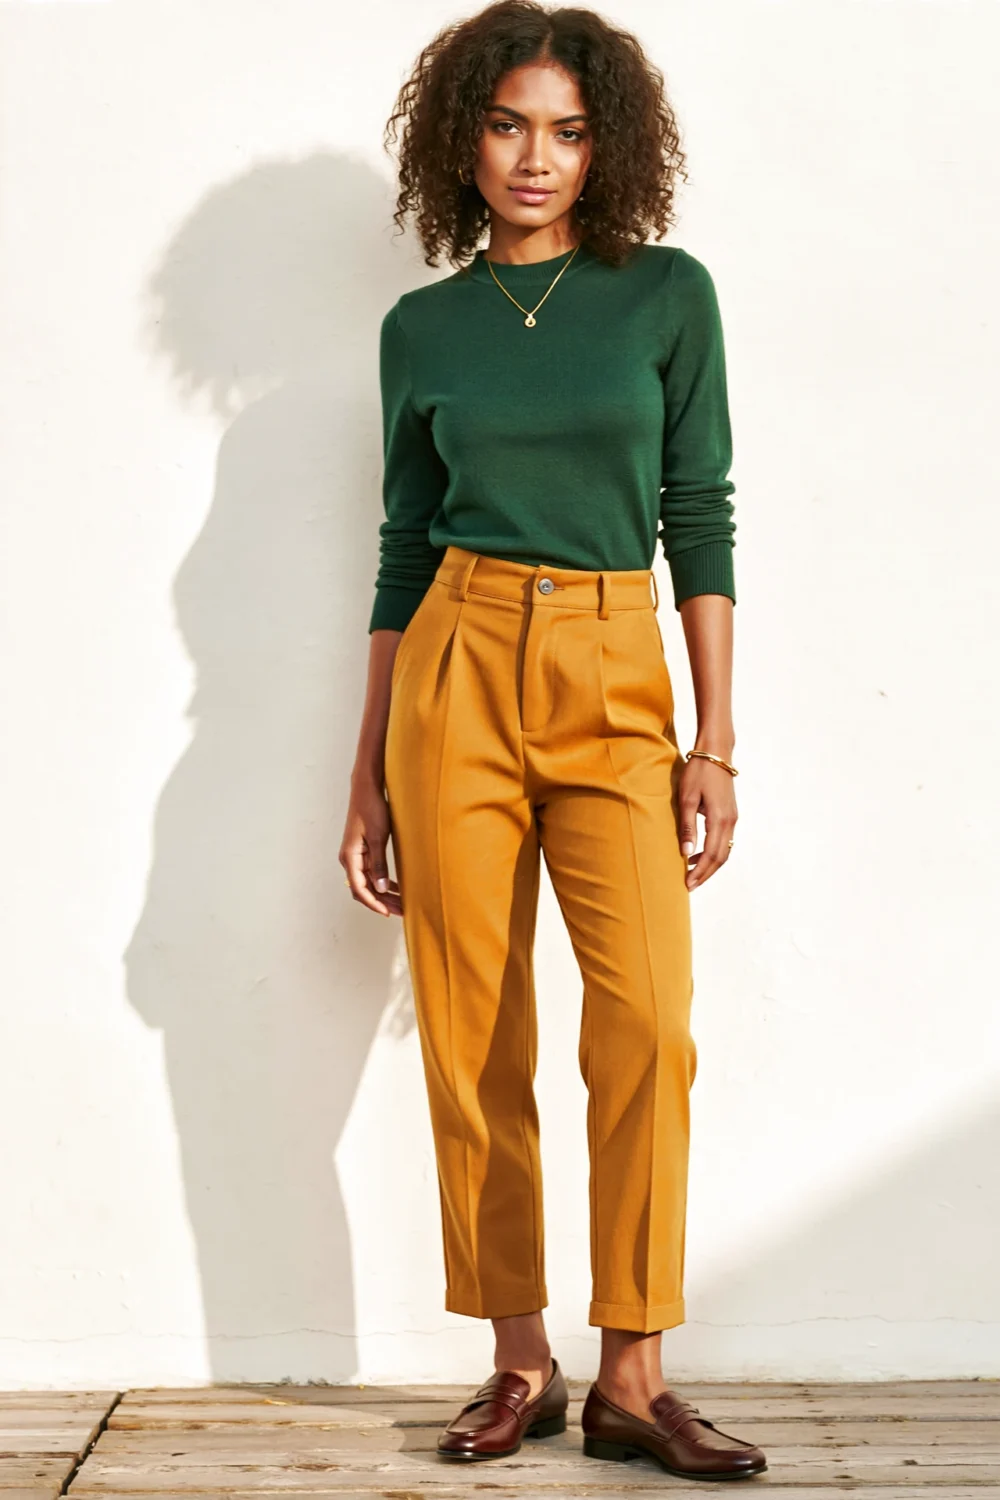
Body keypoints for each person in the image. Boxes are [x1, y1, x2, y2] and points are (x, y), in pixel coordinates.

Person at [341, 0, 766, 1480]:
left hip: (607, 661)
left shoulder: (665, 297)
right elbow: (402, 548)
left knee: (646, 1020)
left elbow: (696, 515)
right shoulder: (423, 329)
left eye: (570, 131)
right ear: (463, 137)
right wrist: (367, 770)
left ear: (610, 148)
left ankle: (634, 1374)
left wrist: (713, 741)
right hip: (454, 661)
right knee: (475, 1033)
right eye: (512, 124)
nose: (539, 156)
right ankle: (518, 1361)